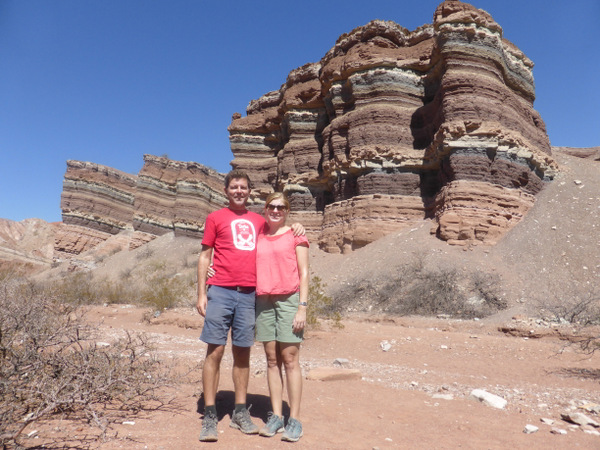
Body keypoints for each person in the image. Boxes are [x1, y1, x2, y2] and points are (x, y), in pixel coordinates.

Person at [196, 170, 304, 442]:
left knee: (243, 352)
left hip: (249, 295)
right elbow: (204, 255)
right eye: (234, 187)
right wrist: (201, 292)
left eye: (243, 187)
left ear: (249, 191)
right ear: (226, 190)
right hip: (220, 290)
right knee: (215, 351)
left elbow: (281, 230)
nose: (239, 191)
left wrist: (298, 225)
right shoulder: (215, 218)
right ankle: (210, 414)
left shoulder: (258, 221)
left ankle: (240, 412)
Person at [255, 192, 309, 442]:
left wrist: (302, 307)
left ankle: (294, 420)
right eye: (271, 206)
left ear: (287, 211)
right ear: (265, 209)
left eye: (281, 207)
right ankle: (276, 416)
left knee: (290, 359)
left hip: (289, 300)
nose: (276, 210)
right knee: (271, 359)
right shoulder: (258, 235)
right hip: (263, 301)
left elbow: (304, 272)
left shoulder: (296, 234)